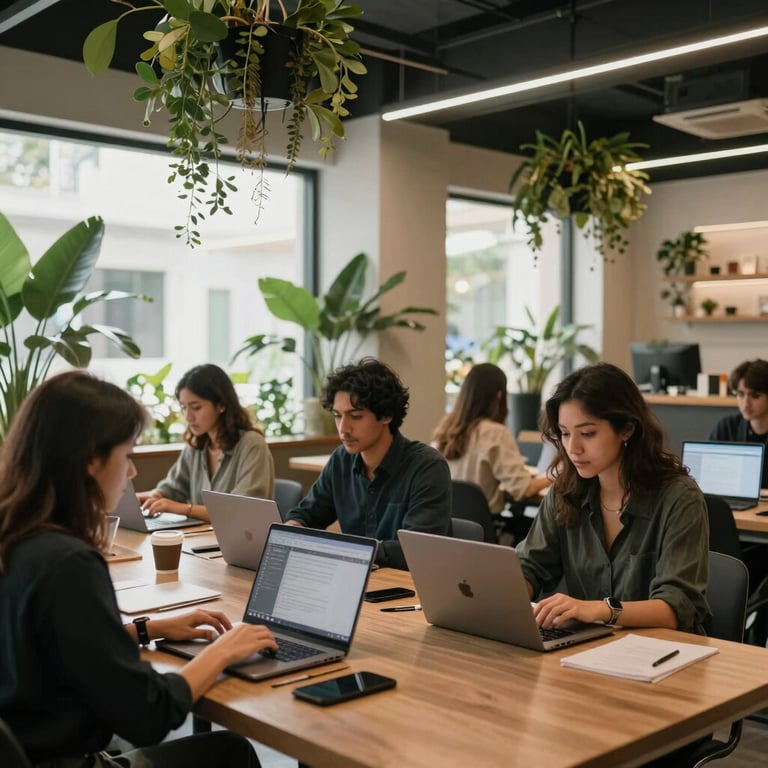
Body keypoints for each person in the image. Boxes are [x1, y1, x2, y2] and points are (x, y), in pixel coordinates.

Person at [0, 370, 278, 767]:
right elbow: (149, 714)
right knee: (230, 751)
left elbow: (49, 645)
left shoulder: (16, 537)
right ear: (91, 461)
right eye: (128, 456)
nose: (131, 473)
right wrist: (221, 651)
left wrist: (146, 629)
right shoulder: (69, 564)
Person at [517, 362, 710, 635]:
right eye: (565, 433)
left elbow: (677, 606)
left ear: (627, 430)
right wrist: (506, 593)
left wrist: (601, 609)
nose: (573, 448)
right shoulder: (566, 491)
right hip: (592, 647)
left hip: (664, 653)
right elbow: (531, 565)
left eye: (587, 433)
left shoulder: (678, 498)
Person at [285, 358, 451, 570]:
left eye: (355, 416)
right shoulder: (341, 461)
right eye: (337, 416)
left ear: (386, 416)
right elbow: (306, 515)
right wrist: (293, 529)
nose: (343, 428)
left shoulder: (426, 467)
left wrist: (351, 552)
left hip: (407, 590)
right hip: (356, 581)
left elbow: (418, 549)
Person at [138, 364, 274, 522]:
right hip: (203, 539)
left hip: (243, 543)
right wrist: (143, 498)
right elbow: (171, 490)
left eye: (196, 407)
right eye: (183, 408)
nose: (188, 417)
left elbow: (240, 511)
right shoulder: (196, 445)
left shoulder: (251, 444)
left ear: (221, 405)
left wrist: (183, 508)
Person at [431, 363, 551, 514]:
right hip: (482, 531)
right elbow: (523, 489)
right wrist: (554, 475)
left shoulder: (444, 429)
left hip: (443, 526)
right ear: (499, 395)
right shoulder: (495, 433)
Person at [709, 358, 768, 489]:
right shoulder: (727, 426)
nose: (746, 403)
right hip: (736, 504)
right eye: (741, 394)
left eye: (755, 396)